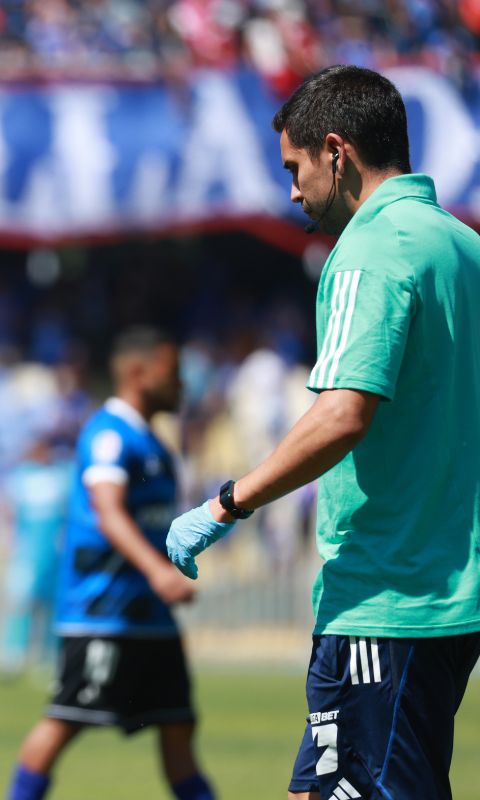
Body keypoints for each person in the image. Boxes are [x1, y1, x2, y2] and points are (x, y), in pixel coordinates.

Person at [165, 65, 480, 800]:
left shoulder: (372, 250)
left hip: (391, 590)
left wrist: (224, 504)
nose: (293, 191)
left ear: (336, 152)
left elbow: (343, 413)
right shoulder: (462, 247)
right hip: (441, 586)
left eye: (294, 168)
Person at [8, 327, 215, 800]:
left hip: (152, 619)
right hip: (102, 613)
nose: (183, 384)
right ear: (138, 372)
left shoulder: (157, 446)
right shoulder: (107, 434)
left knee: (179, 728)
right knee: (65, 721)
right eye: (174, 373)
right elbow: (108, 511)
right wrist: (160, 571)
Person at [0, 434, 72, 679]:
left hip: (54, 553)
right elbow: (6, 511)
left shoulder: (62, 476)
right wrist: (9, 541)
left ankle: (49, 657)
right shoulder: (20, 478)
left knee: (52, 606)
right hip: (27, 554)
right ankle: (13, 655)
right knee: (22, 602)